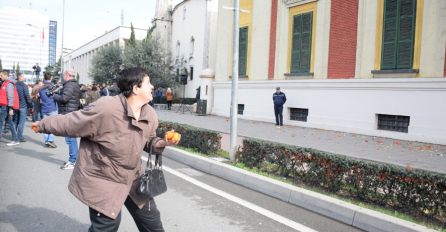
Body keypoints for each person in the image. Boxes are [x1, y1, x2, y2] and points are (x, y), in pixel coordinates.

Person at [32, 67, 181, 231]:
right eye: (148, 83)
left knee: (151, 220)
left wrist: (162, 143)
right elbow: (70, 122)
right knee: (107, 226)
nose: (152, 87)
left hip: (132, 177)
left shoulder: (149, 113)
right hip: (103, 177)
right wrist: (41, 124)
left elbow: (148, 140)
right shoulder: (107, 108)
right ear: (135, 88)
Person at [53, 69, 80, 170]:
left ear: (67, 75)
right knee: (71, 138)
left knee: (70, 139)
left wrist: (55, 96)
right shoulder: (75, 84)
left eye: (64, 74)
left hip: (68, 113)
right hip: (71, 112)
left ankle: (73, 161)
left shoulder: (69, 85)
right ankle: (74, 159)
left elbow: (64, 98)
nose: (63, 76)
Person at [38, 72, 58, 148]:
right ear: (51, 78)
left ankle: (46, 141)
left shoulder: (41, 88)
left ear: (44, 78)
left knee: (45, 126)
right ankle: (50, 140)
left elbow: (40, 97)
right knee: (53, 125)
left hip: (44, 108)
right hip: (52, 108)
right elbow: (56, 96)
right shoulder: (53, 87)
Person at [0, 70, 20, 146]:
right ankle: (15, 139)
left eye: (1, 75)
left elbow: (11, 96)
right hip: (5, 105)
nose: (0, 77)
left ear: (5, 75)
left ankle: (15, 139)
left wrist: (11, 108)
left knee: (1, 122)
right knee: (10, 123)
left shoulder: (9, 84)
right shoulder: (5, 83)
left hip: (6, 106)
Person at [13, 73, 33, 142]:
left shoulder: (14, 85)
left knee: (15, 121)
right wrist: (30, 106)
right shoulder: (24, 86)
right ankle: (20, 137)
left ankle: (14, 136)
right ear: (20, 77)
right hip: (22, 105)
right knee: (21, 122)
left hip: (15, 106)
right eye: (23, 76)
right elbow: (27, 96)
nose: (24, 77)